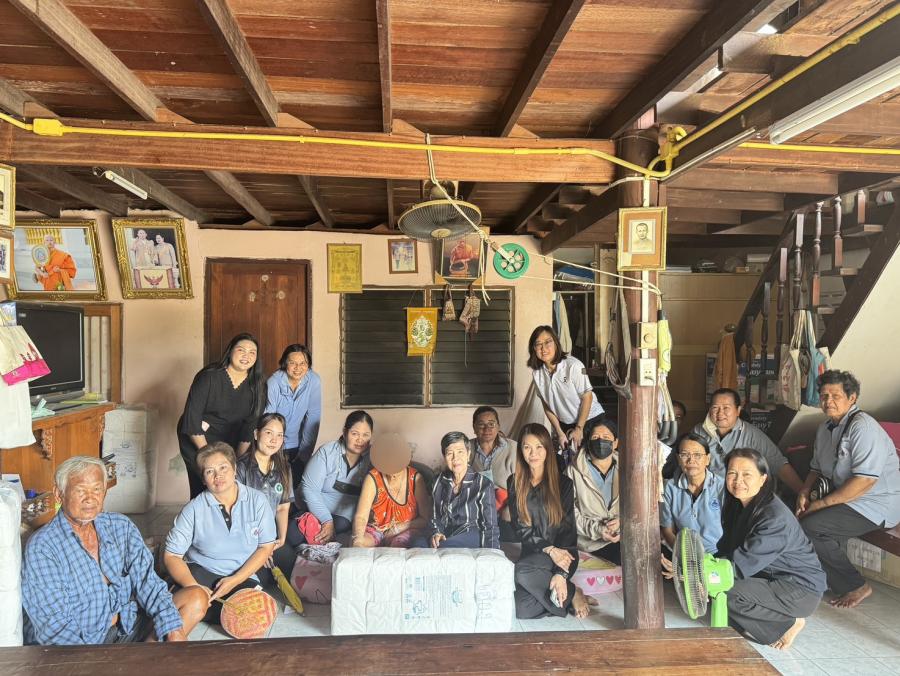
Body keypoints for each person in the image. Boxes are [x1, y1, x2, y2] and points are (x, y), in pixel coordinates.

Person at [21, 457, 204, 644]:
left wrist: (174, 630)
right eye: (80, 490)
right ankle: (145, 659)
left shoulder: (120, 526)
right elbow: (55, 629)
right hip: (83, 644)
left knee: (195, 598)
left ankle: (147, 656)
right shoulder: (43, 547)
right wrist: (93, 659)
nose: (90, 498)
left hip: (125, 626)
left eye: (97, 489)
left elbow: (147, 582)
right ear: (59, 494)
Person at [797, 370, 900, 608]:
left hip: (876, 502)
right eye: (824, 396)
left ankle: (856, 585)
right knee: (798, 515)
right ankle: (818, 578)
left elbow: (864, 481)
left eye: (836, 396)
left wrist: (821, 504)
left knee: (813, 527)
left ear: (852, 398)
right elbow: (815, 468)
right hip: (848, 499)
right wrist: (804, 491)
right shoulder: (825, 428)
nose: (828, 401)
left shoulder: (863, 427)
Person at [717, 448, 826, 650]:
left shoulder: (774, 517)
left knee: (725, 591)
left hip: (800, 589)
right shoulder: (738, 505)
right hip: (771, 577)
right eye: (732, 473)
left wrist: (701, 572)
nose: (738, 480)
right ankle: (767, 618)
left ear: (763, 479)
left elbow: (739, 566)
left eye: (747, 474)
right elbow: (727, 547)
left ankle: (788, 623)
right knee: (718, 594)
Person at [164, 443, 276, 627]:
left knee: (254, 616)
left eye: (223, 467)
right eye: (210, 471)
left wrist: (235, 580)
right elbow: (171, 555)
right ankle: (194, 602)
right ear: (203, 479)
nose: (218, 476)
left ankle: (207, 610)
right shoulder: (194, 509)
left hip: (241, 574)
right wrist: (194, 588)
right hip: (201, 572)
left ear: (234, 469)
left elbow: (265, 547)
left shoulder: (257, 500)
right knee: (191, 601)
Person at [509, 423, 590, 619]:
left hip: (564, 555)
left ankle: (566, 588)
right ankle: (571, 593)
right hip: (534, 556)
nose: (533, 453)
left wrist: (561, 574)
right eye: (527, 447)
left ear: (547, 449)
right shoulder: (514, 482)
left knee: (521, 571)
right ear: (520, 451)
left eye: (539, 447)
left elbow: (567, 533)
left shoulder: (564, 484)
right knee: (521, 608)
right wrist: (549, 549)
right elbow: (520, 529)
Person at [178, 333, 265, 498]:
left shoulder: (258, 385)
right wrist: (210, 456)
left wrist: (236, 461)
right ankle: (199, 514)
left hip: (230, 441)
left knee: (228, 486)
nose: (246, 355)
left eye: (252, 352)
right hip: (198, 437)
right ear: (230, 351)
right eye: (241, 350)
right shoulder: (209, 376)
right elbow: (192, 419)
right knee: (205, 485)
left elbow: (249, 428)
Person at [694, 388, 804, 494]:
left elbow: (779, 465)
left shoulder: (752, 435)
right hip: (707, 493)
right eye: (715, 408)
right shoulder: (699, 432)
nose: (720, 413)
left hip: (740, 494)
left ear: (738, 410)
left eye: (726, 408)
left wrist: (802, 493)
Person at [236, 413, 302, 584]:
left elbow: (283, 507)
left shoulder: (284, 468)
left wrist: (281, 539)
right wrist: (260, 549)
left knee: (291, 566)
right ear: (256, 434)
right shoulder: (241, 467)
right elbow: (236, 514)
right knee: (261, 579)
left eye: (279, 435)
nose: (274, 440)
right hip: (246, 537)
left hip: (270, 534)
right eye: (268, 433)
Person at [527, 325, 604, 459]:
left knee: (592, 461)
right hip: (566, 424)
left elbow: (587, 397)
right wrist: (559, 432)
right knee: (570, 462)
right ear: (533, 348)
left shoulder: (573, 366)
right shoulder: (537, 374)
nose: (543, 349)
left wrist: (579, 428)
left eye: (547, 342)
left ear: (556, 343)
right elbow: (547, 405)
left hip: (590, 419)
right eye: (538, 344)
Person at [299, 410, 373, 544]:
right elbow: (309, 489)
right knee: (294, 533)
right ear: (345, 432)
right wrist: (326, 520)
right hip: (316, 509)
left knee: (341, 525)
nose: (360, 440)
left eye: (365, 435)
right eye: (354, 433)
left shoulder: (374, 458)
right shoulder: (327, 452)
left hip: (345, 517)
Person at [352, 432, 430, 547]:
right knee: (358, 543)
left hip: (405, 530)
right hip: (376, 529)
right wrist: (358, 539)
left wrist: (398, 528)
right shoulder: (373, 477)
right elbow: (361, 517)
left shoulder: (415, 478)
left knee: (398, 545)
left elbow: (425, 519)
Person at [426, 431, 499, 549]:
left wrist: (492, 553)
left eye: (460, 452)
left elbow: (490, 525)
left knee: (444, 546)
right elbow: (434, 517)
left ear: (468, 454)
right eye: (450, 453)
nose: (455, 458)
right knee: (417, 545)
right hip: (447, 534)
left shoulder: (483, 484)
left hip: (471, 533)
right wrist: (436, 533)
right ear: (444, 457)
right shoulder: (438, 482)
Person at [265, 343, 321, 486]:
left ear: (308, 365)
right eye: (292, 363)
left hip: (296, 444)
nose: (298, 368)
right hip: (274, 443)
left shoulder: (313, 381)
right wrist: (270, 450)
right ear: (284, 363)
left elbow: (313, 417)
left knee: (294, 487)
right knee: (273, 486)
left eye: (303, 363)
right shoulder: (273, 382)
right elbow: (268, 420)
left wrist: (304, 453)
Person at [566, 417, 621, 563]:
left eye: (606, 438)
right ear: (588, 442)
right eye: (595, 437)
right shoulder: (573, 471)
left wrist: (622, 522)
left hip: (624, 536)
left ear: (615, 443)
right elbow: (568, 513)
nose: (601, 441)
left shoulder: (627, 468)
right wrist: (597, 529)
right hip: (590, 543)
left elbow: (636, 507)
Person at [660, 433, 725, 555]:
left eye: (697, 455)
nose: (691, 460)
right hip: (684, 555)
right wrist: (683, 557)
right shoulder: (670, 487)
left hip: (718, 557)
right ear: (678, 459)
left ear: (708, 459)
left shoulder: (722, 487)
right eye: (685, 455)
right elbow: (667, 530)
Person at [468, 405, 516, 540]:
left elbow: (524, 485)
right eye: (481, 424)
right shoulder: (466, 448)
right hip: (476, 509)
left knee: (508, 542)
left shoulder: (513, 448)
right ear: (474, 428)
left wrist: (510, 507)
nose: (487, 429)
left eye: (491, 424)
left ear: (498, 426)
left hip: (506, 508)